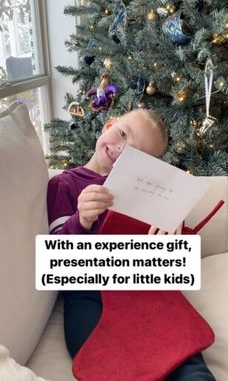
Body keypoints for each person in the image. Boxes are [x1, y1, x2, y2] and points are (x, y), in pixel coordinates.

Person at [47, 108, 215, 380]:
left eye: (136, 155)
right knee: (109, 361)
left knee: (188, 361)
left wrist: (173, 237)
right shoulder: (65, 184)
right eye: (122, 134)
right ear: (108, 125)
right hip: (91, 291)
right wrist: (82, 220)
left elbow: (173, 267)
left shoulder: (152, 193)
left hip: (147, 290)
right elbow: (55, 259)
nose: (122, 149)